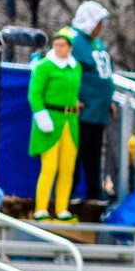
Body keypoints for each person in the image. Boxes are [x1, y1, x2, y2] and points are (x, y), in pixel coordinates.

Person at [64, 1, 117, 203]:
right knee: (78, 151)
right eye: (99, 22)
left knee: (95, 153)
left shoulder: (97, 42)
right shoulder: (74, 41)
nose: (101, 27)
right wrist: (72, 98)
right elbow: (66, 71)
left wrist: (109, 100)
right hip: (83, 110)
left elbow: (103, 73)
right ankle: (70, 191)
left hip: (99, 110)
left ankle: (94, 191)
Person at [27, 31, 83, 222]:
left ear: (70, 48)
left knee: (67, 168)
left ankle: (62, 209)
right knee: (49, 167)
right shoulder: (44, 66)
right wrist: (42, 117)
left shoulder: (76, 68)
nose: (59, 48)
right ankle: (41, 208)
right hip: (50, 121)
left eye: (63, 45)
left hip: (70, 121)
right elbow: (35, 93)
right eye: (56, 44)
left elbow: (73, 92)